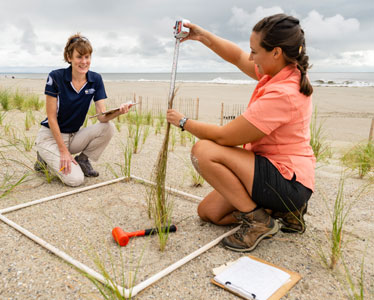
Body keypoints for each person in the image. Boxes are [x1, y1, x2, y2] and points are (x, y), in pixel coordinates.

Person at [167, 14, 315, 252]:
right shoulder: (280, 70)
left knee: (203, 150)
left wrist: (184, 122)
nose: (250, 57)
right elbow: (236, 56)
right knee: (208, 213)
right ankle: (282, 212)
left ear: (276, 52)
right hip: (270, 172)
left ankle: (259, 222)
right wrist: (201, 35)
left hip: (288, 181)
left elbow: (225, 137)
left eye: (254, 51)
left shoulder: (284, 93)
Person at [35, 34, 134, 187]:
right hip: (51, 137)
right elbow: (51, 117)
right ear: (69, 57)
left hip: (74, 137)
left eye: (87, 57)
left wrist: (119, 112)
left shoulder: (96, 79)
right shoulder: (56, 77)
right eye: (79, 57)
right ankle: (43, 156)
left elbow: (102, 117)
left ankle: (82, 160)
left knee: (107, 127)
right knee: (75, 180)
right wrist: (63, 151)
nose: (84, 62)